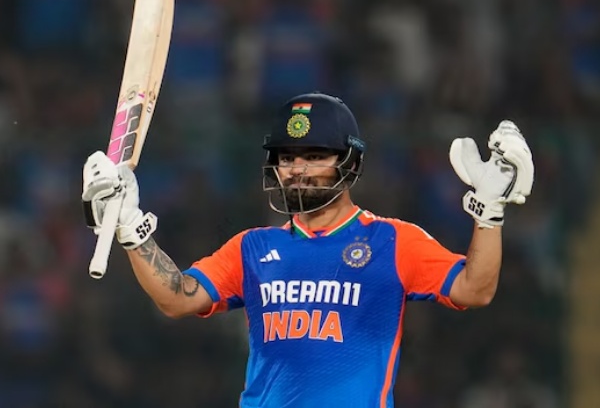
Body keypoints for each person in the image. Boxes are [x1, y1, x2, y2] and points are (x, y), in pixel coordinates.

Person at [81, 92, 534, 407]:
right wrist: (131, 230)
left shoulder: (393, 241)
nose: (296, 168)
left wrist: (489, 213)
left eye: (314, 155)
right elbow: (177, 298)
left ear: (349, 162)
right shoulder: (254, 248)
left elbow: (476, 289)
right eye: (286, 157)